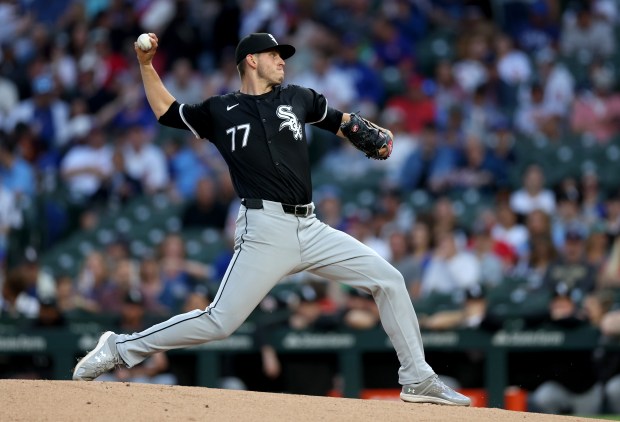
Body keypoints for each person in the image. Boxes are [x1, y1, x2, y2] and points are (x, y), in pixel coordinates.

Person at [72, 32, 470, 407]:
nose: (282, 61)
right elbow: (167, 111)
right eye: (275, 55)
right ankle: (119, 348)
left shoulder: (297, 98)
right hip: (264, 230)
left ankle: (417, 377)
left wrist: (360, 130)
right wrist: (146, 65)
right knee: (219, 322)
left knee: (389, 279)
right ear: (251, 61)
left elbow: (340, 120)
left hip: (311, 227)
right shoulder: (220, 110)